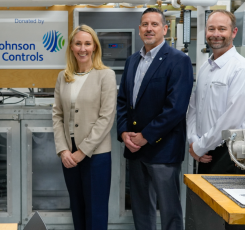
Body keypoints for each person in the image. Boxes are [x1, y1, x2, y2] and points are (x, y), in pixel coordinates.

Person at [117, 8, 193, 230]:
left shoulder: (179, 60)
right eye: (145, 24)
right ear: (139, 29)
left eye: (154, 24)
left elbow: (176, 108)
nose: (149, 29)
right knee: (141, 210)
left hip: (163, 150)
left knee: (170, 210)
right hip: (134, 149)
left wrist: (146, 136)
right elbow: (123, 101)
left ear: (165, 29)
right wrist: (124, 133)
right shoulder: (132, 60)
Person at [52, 24, 117, 230]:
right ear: (71, 47)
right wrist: (63, 150)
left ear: (95, 47)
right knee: (77, 208)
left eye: (87, 44)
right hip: (68, 154)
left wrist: (82, 152)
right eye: (78, 43)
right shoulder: (64, 76)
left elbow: (106, 118)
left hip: (95, 154)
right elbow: (57, 114)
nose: (83, 48)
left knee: (95, 211)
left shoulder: (105, 75)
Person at [187, 10, 245, 174]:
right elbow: (193, 107)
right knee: (200, 199)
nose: (216, 34)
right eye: (211, 29)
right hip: (204, 150)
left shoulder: (241, 68)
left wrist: (200, 146)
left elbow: (231, 120)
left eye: (222, 29)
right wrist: (194, 140)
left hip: (230, 154)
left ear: (234, 32)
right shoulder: (205, 68)